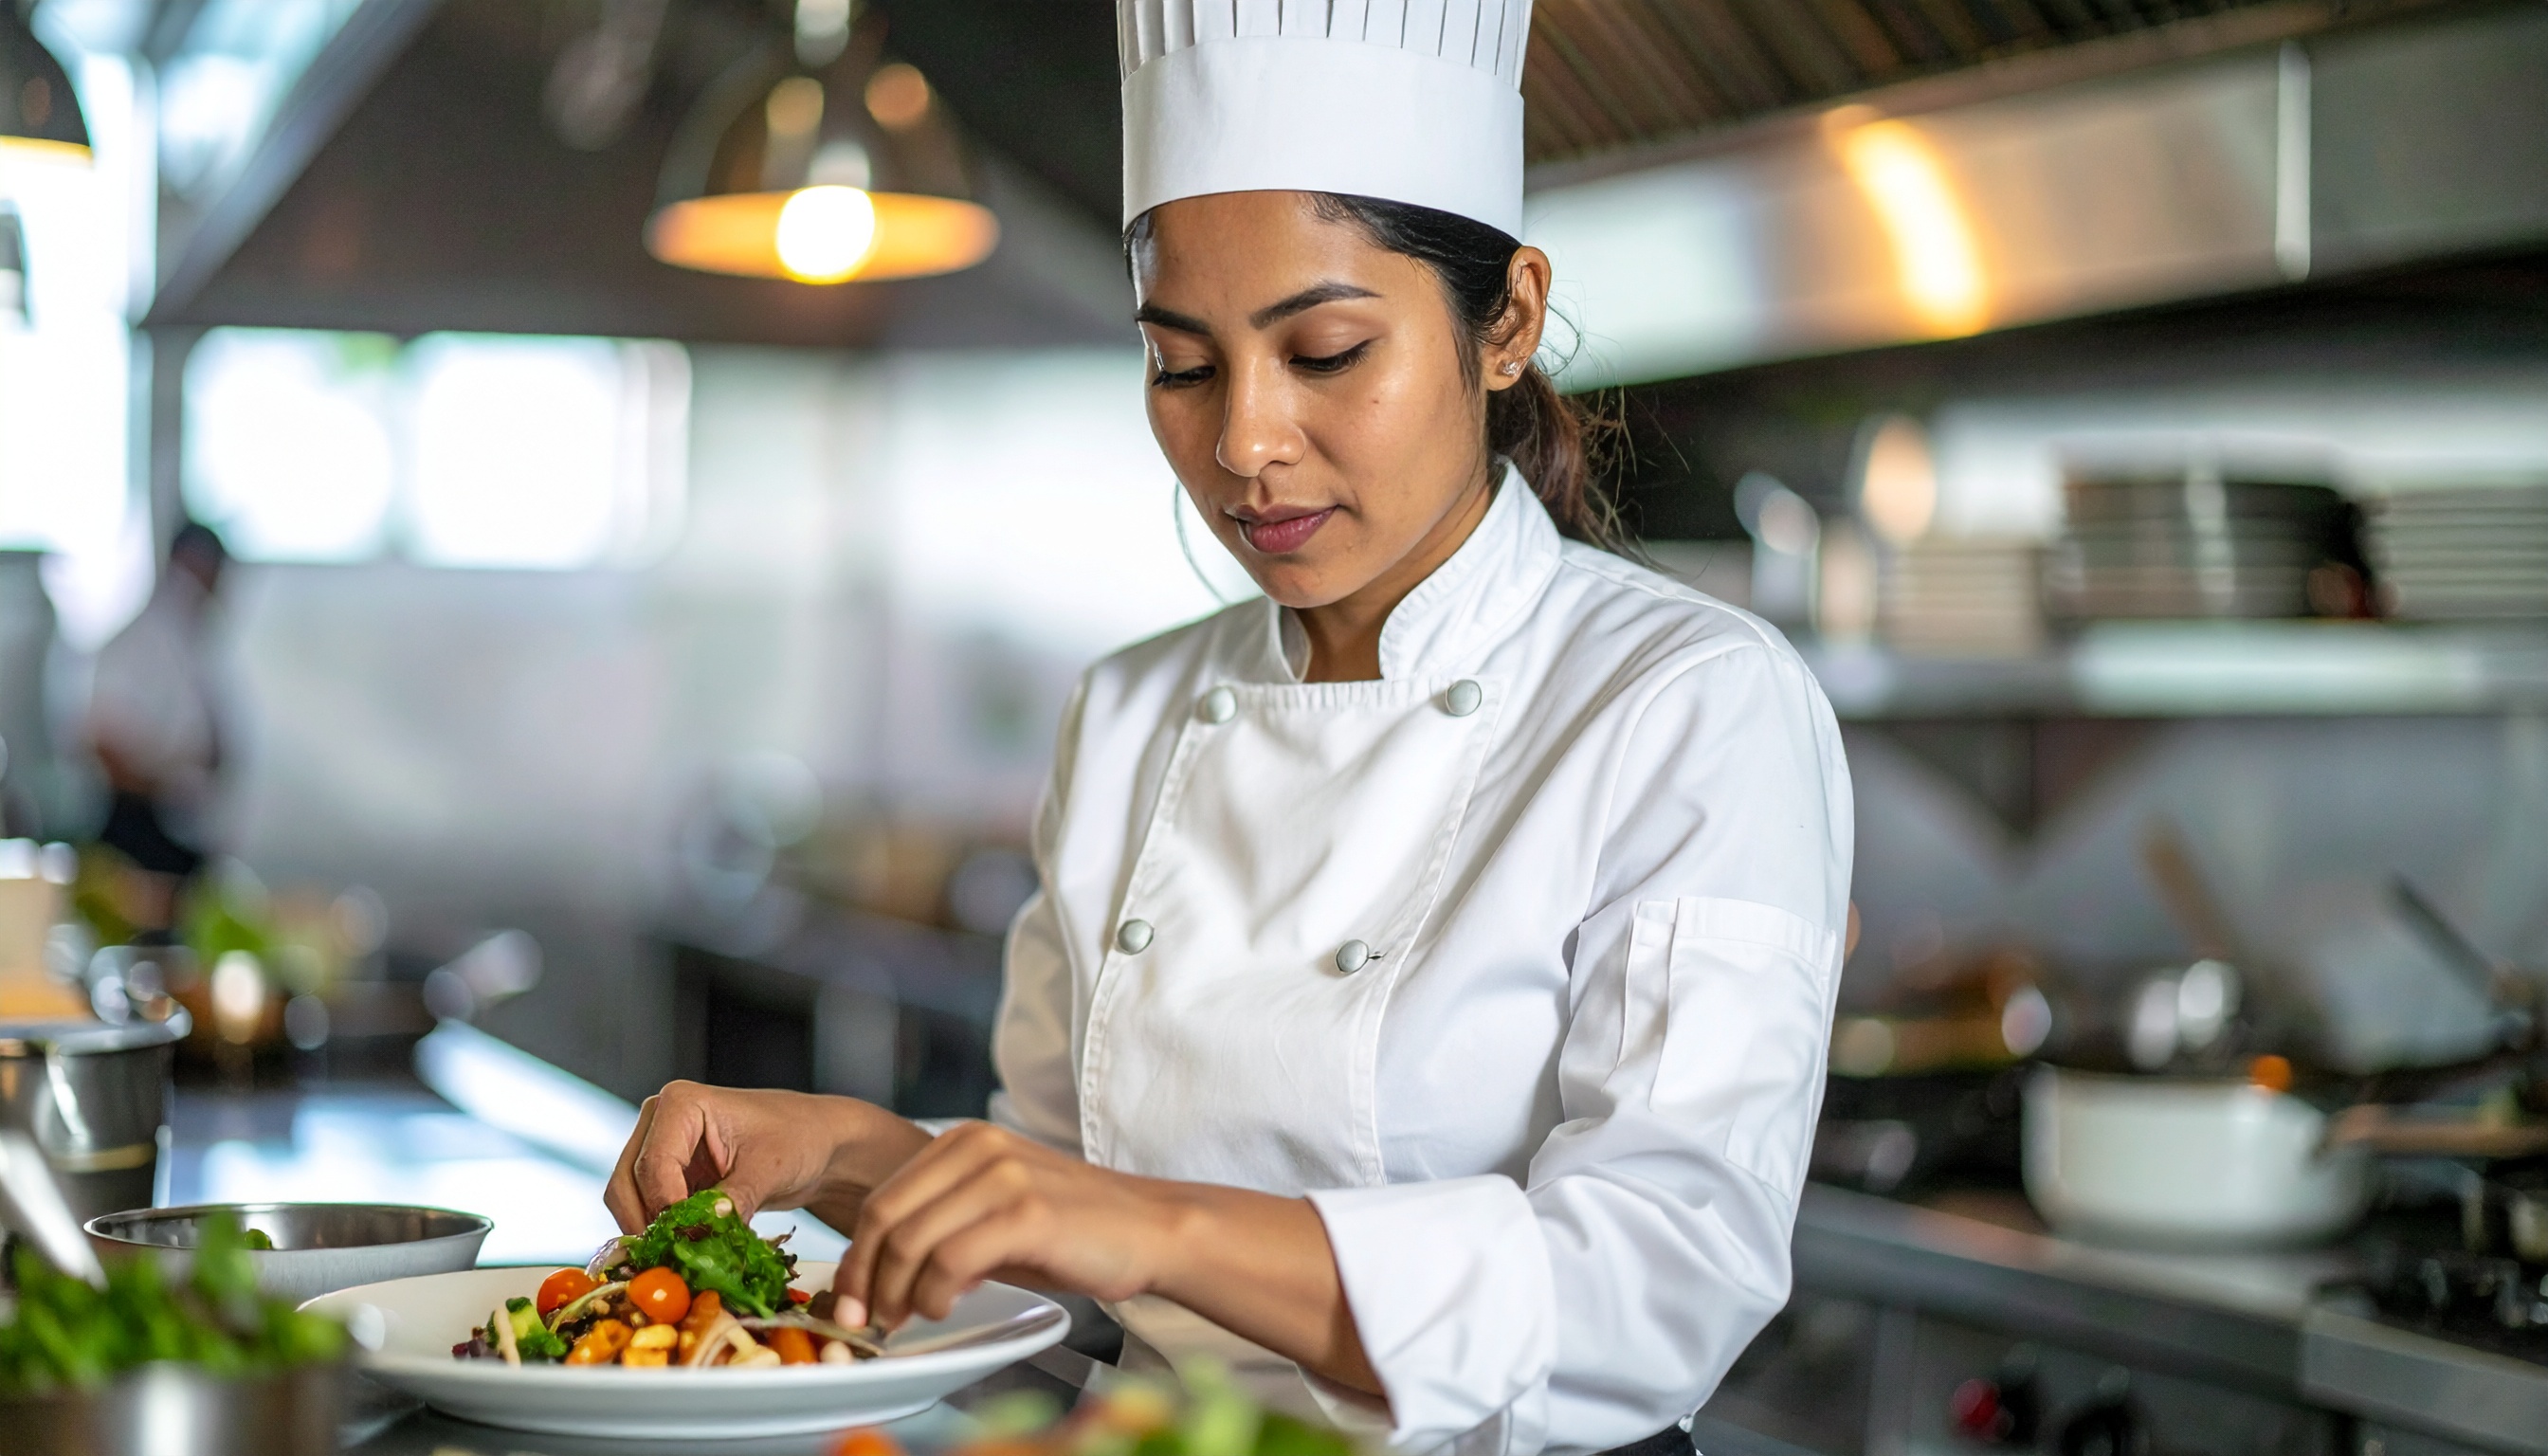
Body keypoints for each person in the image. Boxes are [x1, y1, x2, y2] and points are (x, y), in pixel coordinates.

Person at [607, 6, 1853, 1454]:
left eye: (1325, 351)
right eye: (1184, 366)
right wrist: (843, 1152)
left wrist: (1154, 1226)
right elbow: (1056, 1242)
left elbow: (1656, 1289)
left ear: (1507, 320)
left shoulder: (1688, 700)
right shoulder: (1131, 712)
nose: (1244, 443)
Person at [86, 522, 229, 919]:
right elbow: (103, 742)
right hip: (139, 831)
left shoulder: (192, 642)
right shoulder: (138, 641)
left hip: (182, 829)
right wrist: (165, 786)